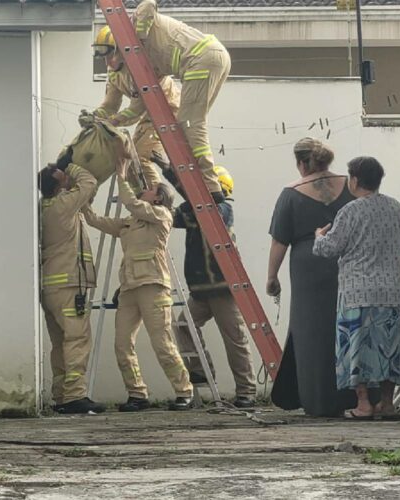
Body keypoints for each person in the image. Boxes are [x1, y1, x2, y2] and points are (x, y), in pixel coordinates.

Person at [83, 157, 194, 412]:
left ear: (157, 198)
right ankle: (137, 394)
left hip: (153, 285)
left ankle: (184, 391)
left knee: (162, 342)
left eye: (150, 188)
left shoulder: (161, 215)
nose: (144, 189)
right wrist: (84, 203)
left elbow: (132, 203)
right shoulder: (130, 222)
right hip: (130, 288)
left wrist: (121, 176)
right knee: (122, 344)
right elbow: (98, 221)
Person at [153, 153, 256, 407]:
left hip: (223, 289)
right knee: (183, 326)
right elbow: (170, 217)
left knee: (234, 339)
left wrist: (170, 171)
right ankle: (201, 372)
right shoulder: (194, 210)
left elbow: (202, 210)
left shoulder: (223, 210)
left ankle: (247, 391)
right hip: (200, 291)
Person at [313, 156, 400, 420]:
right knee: (388, 349)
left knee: (356, 347)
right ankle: (388, 404)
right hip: (390, 292)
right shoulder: (394, 207)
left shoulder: (350, 211)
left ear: (355, 180)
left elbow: (329, 248)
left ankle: (364, 403)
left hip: (357, 292)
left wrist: (318, 237)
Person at [266, 137, 356, 417]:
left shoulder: (291, 193)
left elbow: (279, 241)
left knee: (310, 332)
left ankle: (317, 400)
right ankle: (353, 398)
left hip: (308, 270)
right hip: (347, 265)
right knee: (347, 329)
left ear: (303, 163)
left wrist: (272, 277)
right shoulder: (351, 186)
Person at [132, 0, 231, 196]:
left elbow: (149, 4)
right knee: (191, 124)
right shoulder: (150, 60)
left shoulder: (136, 24)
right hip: (215, 57)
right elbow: (142, 99)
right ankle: (197, 176)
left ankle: (210, 184)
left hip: (198, 59)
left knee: (190, 123)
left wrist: (138, 38)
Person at [39, 156, 106, 415]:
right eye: (63, 180)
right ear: (57, 185)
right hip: (69, 286)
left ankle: (61, 395)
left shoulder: (46, 208)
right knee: (77, 340)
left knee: (61, 344)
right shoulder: (63, 205)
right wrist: (68, 166)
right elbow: (88, 182)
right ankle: (75, 396)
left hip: (52, 288)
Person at [87, 25, 180, 192]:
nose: (108, 62)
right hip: (150, 114)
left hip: (167, 112)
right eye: (104, 58)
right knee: (131, 159)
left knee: (143, 156)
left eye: (110, 56)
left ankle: (158, 205)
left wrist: (113, 121)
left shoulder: (138, 68)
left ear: (122, 51)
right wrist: (95, 117)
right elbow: (110, 105)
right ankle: (142, 201)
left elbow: (135, 110)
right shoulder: (114, 73)